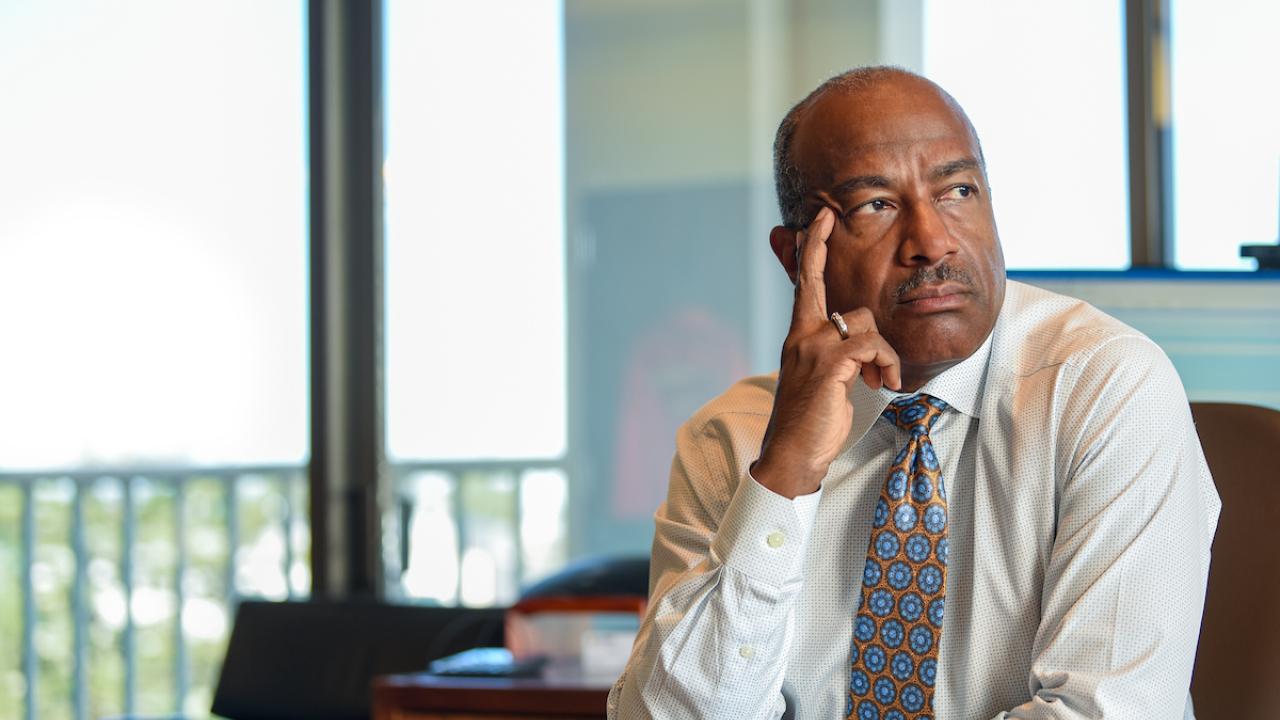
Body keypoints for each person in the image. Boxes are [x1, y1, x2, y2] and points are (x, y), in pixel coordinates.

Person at [607, 66, 1221, 720]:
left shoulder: (1105, 388)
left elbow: (1104, 712)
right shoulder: (730, 439)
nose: (931, 241)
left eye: (958, 190)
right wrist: (783, 476)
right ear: (796, 259)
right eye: (877, 204)